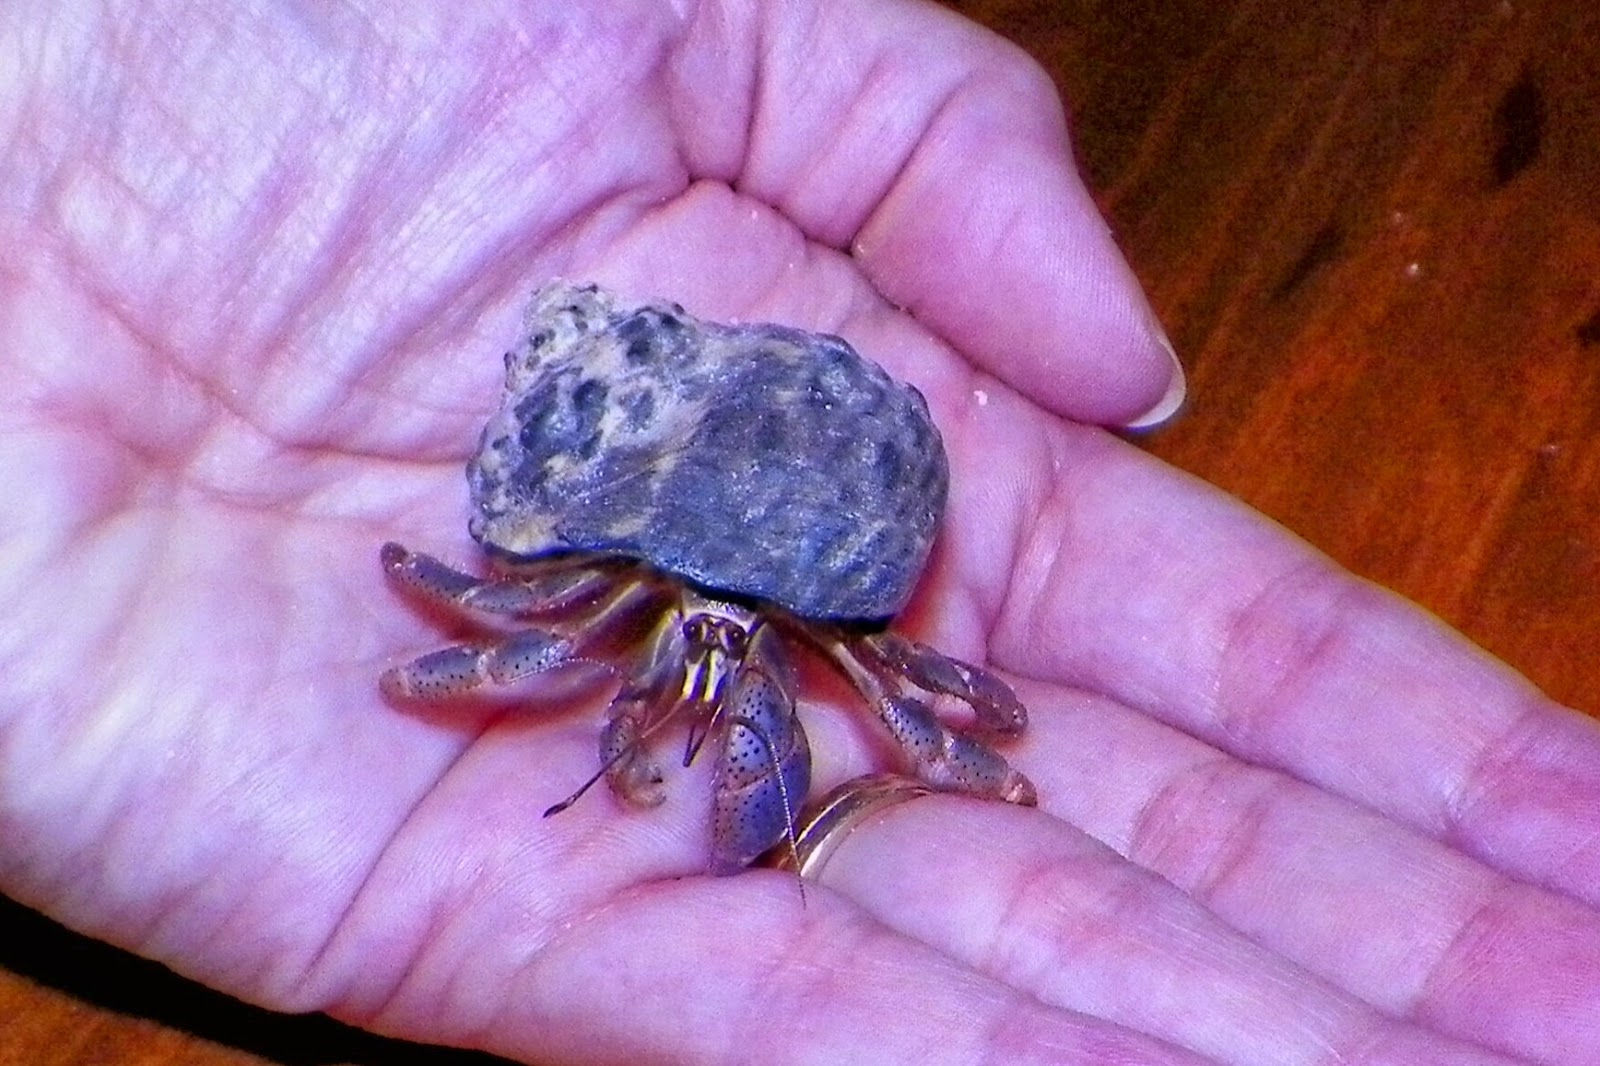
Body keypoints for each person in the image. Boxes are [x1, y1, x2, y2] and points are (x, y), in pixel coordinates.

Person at [3, 2, 1596, 1063]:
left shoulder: (742, 600)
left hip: (751, 527)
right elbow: (602, 627)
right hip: (689, 514)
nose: (704, 666)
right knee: (685, 651)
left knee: (755, 660)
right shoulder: (643, 568)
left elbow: (780, 648)